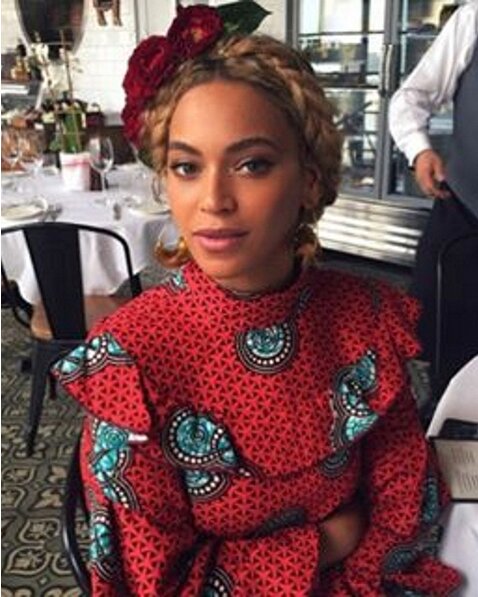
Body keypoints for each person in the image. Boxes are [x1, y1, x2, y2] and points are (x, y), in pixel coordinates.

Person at [53, 3, 460, 594]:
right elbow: (157, 585)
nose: (214, 199)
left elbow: (406, 499)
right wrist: (328, 542)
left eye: (251, 164)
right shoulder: (132, 363)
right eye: (187, 166)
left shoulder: (363, 319)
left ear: (310, 180)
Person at [389, 1, 478, 388]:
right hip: (464, 214)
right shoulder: (473, 18)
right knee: (442, 342)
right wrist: (420, 148)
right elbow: (411, 96)